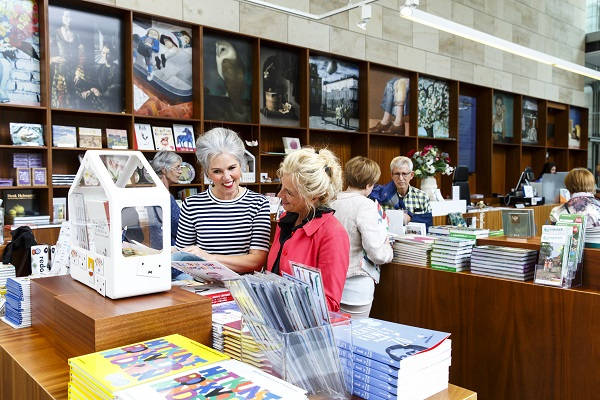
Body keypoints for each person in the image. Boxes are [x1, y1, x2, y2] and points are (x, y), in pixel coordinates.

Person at [175, 128, 270, 273]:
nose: (227, 177)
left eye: (232, 168)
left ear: (242, 165)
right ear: (207, 173)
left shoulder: (258, 203)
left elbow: (256, 261)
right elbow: (182, 258)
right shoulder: (191, 205)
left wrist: (209, 258)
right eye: (217, 171)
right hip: (202, 288)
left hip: (243, 289)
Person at [266, 147, 350, 312]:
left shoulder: (333, 234)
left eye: (289, 192)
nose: (279, 195)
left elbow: (329, 304)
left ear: (314, 196)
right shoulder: (285, 221)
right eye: (281, 187)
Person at [330, 156, 393, 318]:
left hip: (330, 282)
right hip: (355, 286)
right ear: (369, 184)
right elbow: (377, 254)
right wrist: (388, 247)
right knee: (353, 337)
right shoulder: (366, 206)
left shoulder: (331, 201)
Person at [369, 156, 432, 228]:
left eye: (404, 174)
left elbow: (429, 225)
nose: (401, 178)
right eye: (397, 174)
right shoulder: (380, 196)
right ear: (392, 175)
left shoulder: (422, 197)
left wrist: (410, 218)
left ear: (411, 175)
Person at [149, 151, 182, 247]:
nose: (180, 171)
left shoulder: (151, 192)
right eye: (177, 167)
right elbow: (180, 229)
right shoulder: (164, 197)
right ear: (164, 170)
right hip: (168, 250)